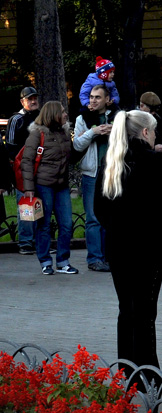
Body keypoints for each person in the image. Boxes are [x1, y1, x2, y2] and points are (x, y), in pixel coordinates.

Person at [96, 110, 162, 371]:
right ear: (145, 132)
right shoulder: (151, 161)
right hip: (148, 248)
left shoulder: (112, 161)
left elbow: (100, 208)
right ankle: (147, 371)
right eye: (153, 130)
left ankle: (127, 369)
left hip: (119, 246)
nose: (155, 135)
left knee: (127, 308)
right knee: (145, 310)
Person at [21, 101, 76, 276]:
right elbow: (27, 161)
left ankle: (63, 261)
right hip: (43, 186)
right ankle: (45, 261)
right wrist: (29, 188)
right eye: (62, 112)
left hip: (61, 185)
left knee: (66, 224)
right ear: (53, 114)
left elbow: (71, 156)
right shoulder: (37, 134)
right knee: (43, 225)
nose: (66, 114)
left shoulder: (65, 132)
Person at [73, 84, 118, 272]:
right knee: (92, 217)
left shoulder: (117, 117)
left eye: (98, 97)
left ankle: (110, 257)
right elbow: (76, 145)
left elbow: (127, 139)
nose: (92, 100)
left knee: (111, 217)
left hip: (112, 172)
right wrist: (93, 132)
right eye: (91, 96)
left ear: (108, 100)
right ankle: (94, 258)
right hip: (92, 173)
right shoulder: (82, 118)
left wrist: (113, 131)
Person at [5, 86, 40, 255]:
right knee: (26, 204)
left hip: (40, 167)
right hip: (22, 168)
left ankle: (38, 240)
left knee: (39, 204)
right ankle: (26, 241)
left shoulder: (41, 117)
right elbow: (10, 146)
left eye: (35, 98)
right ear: (22, 101)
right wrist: (19, 164)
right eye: (29, 99)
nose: (33, 101)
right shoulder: (16, 119)